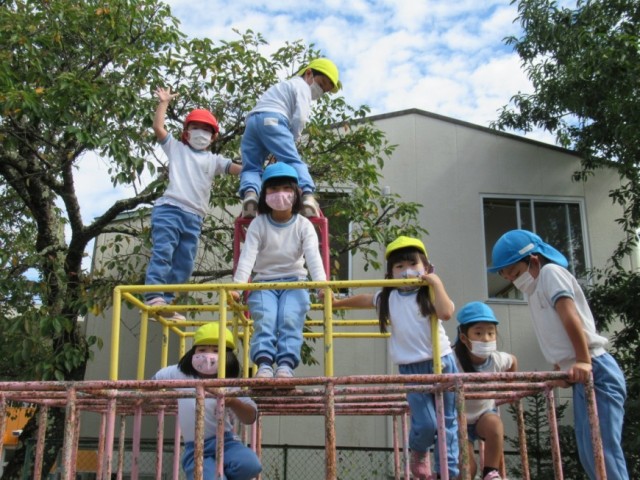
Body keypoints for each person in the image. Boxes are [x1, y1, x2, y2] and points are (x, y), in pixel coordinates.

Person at [488, 229, 628, 480]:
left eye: (516, 273)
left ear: (533, 260)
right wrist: (561, 367)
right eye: (506, 276)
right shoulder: (533, 291)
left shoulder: (551, 274)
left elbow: (569, 316)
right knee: (589, 454)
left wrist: (583, 360)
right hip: (579, 372)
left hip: (596, 366)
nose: (512, 280)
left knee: (603, 449)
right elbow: (554, 335)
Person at [333, 236, 459, 480]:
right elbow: (364, 299)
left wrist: (436, 283)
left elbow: (446, 312)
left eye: (413, 264)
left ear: (426, 267)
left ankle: (448, 473)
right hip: (412, 368)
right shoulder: (388, 298)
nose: (407, 271)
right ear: (390, 273)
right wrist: (337, 303)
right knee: (426, 424)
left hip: (442, 362)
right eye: (399, 266)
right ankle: (419, 451)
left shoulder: (429, 294)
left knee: (448, 423)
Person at [144, 87, 242, 320]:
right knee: (164, 251)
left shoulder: (213, 160)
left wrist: (263, 169)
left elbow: (237, 168)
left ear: (213, 137)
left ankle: (167, 303)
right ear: (186, 133)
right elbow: (158, 128)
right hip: (170, 210)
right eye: (195, 128)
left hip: (194, 217)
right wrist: (164, 103)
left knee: (185, 263)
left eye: (206, 130)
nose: (201, 132)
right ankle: (153, 295)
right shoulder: (177, 149)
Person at [232, 162, 327, 379]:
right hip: (264, 282)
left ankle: (285, 365)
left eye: (286, 189)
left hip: (295, 282)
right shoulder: (259, 223)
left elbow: (313, 257)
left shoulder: (303, 225)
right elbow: (247, 257)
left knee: (290, 317)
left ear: (296, 194)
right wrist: (237, 286)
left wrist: (322, 286)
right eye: (273, 189)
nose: (280, 194)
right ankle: (264, 364)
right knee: (265, 317)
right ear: (264, 194)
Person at [152, 322, 262, 480]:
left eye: (216, 351)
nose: (208, 356)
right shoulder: (180, 373)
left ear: (228, 357)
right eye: (202, 350)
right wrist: (141, 396)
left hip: (226, 442)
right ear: (192, 353)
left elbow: (250, 416)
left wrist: (233, 402)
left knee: (251, 466)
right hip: (196, 446)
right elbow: (154, 380)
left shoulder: (229, 382)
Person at [239, 58, 341, 218]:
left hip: (252, 123)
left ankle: (250, 196)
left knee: (251, 167)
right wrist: (293, 138)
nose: (320, 92)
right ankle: (308, 196)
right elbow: (300, 117)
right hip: (274, 119)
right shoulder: (302, 86)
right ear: (309, 74)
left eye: (324, 91)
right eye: (321, 85)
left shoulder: (282, 86)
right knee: (292, 161)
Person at [453, 302, 517, 480]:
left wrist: (509, 386)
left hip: (483, 415)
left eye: (491, 332)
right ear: (464, 338)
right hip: (458, 420)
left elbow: (513, 361)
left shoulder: (497, 359)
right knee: (467, 469)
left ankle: (490, 472)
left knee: (495, 425)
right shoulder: (453, 360)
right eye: (478, 333)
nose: (486, 338)